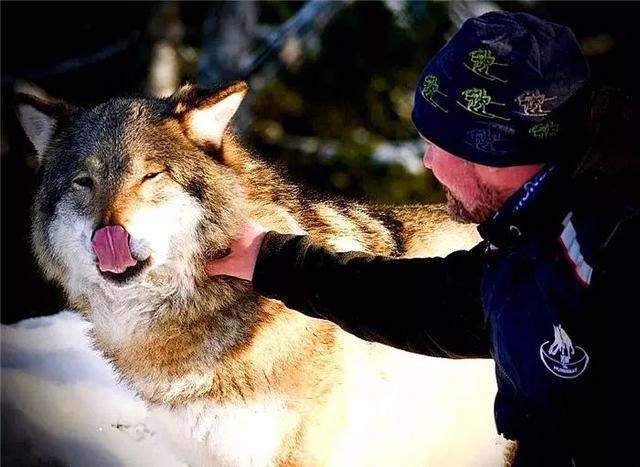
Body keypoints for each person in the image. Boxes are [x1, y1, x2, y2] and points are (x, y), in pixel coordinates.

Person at [205, 11, 639, 467]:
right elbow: (434, 303)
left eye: (436, 143)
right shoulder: (535, 228)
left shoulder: (612, 254)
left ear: (490, 149)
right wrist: (270, 260)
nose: (426, 162)